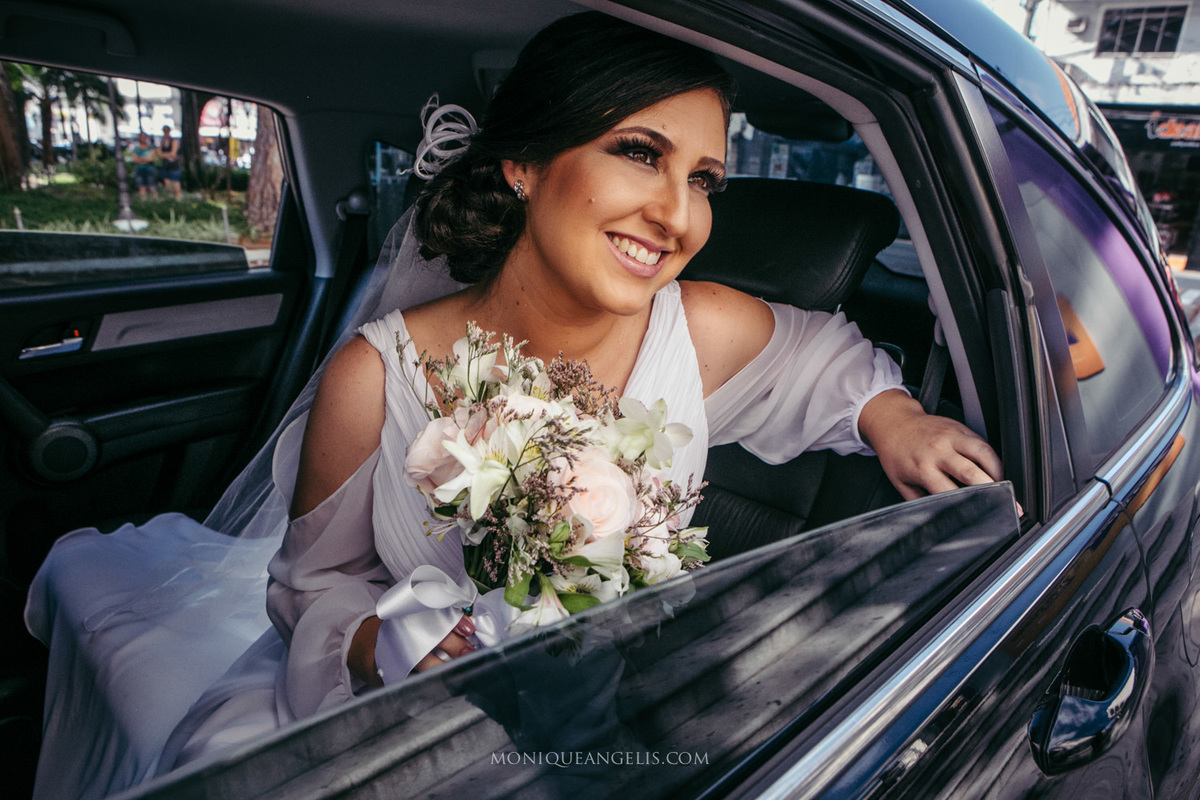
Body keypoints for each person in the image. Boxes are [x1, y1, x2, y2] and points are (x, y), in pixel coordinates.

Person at [24, 12, 1003, 799]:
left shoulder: (699, 327)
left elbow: (825, 354)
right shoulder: (380, 377)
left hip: (623, 712)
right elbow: (312, 587)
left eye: (702, 177)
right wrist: (381, 640)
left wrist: (894, 419)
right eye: (638, 151)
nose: (678, 214)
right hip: (418, 719)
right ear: (524, 163)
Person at [129, 131, 158, 200]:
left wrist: (141, 159)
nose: (143, 138)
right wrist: (145, 159)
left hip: (150, 170)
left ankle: (155, 201)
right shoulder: (136, 148)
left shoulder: (151, 148)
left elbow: (152, 159)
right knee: (142, 188)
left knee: (152, 187)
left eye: (144, 137)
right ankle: (144, 203)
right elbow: (135, 160)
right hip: (140, 170)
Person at [157, 124, 182, 199]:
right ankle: (171, 196)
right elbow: (159, 154)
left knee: (175, 182)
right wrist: (168, 155)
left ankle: (178, 197)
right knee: (167, 182)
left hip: (174, 165)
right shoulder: (161, 141)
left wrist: (164, 154)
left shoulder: (174, 141)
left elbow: (173, 153)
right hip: (165, 164)